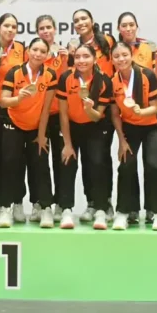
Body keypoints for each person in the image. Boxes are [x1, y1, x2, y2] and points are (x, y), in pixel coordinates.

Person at [0, 37, 57, 228]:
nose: (38, 54)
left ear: (47, 55)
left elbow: (46, 107)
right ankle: (9, 206)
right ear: (28, 52)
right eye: (35, 50)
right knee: (9, 165)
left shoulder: (50, 75)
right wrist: (18, 98)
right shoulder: (14, 73)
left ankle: (44, 207)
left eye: (42, 51)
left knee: (40, 165)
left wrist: (41, 135)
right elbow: (3, 101)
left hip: (36, 127)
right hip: (13, 124)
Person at [110, 41, 157, 231]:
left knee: (154, 166)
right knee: (126, 166)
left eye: (124, 55)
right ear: (112, 59)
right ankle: (125, 212)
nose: (121, 59)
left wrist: (141, 113)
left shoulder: (146, 74)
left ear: (131, 56)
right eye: (116, 56)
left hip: (154, 125)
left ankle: (156, 212)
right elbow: (114, 113)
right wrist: (121, 140)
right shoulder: (113, 81)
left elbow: (153, 106)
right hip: (130, 127)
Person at [57, 44, 113, 230]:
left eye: (86, 57)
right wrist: (67, 143)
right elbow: (63, 114)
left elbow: (98, 116)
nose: (82, 60)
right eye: (78, 57)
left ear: (94, 59)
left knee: (97, 164)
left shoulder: (104, 80)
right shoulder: (66, 78)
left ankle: (100, 210)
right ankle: (66, 210)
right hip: (71, 126)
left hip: (95, 126)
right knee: (67, 162)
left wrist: (89, 108)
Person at [69, 9, 115, 222]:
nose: (80, 23)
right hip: (81, 110)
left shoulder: (107, 41)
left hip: (106, 107)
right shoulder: (74, 47)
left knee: (101, 159)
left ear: (92, 21)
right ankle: (91, 203)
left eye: (84, 19)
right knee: (88, 160)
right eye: (76, 21)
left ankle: (104, 203)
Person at [0, 13, 25, 221]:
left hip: (15, 108)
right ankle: (0, 204)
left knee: (15, 159)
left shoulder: (22, 50)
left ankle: (17, 202)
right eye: (6, 26)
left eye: (14, 26)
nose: (10, 30)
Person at [35, 14, 68, 223]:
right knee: (39, 161)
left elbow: (66, 81)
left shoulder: (63, 54)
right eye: (42, 28)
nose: (46, 31)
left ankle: (61, 204)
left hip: (59, 115)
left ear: (55, 29)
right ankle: (41, 202)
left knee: (60, 161)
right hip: (37, 116)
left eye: (49, 27)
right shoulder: (35, 55)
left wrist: (65, 59)